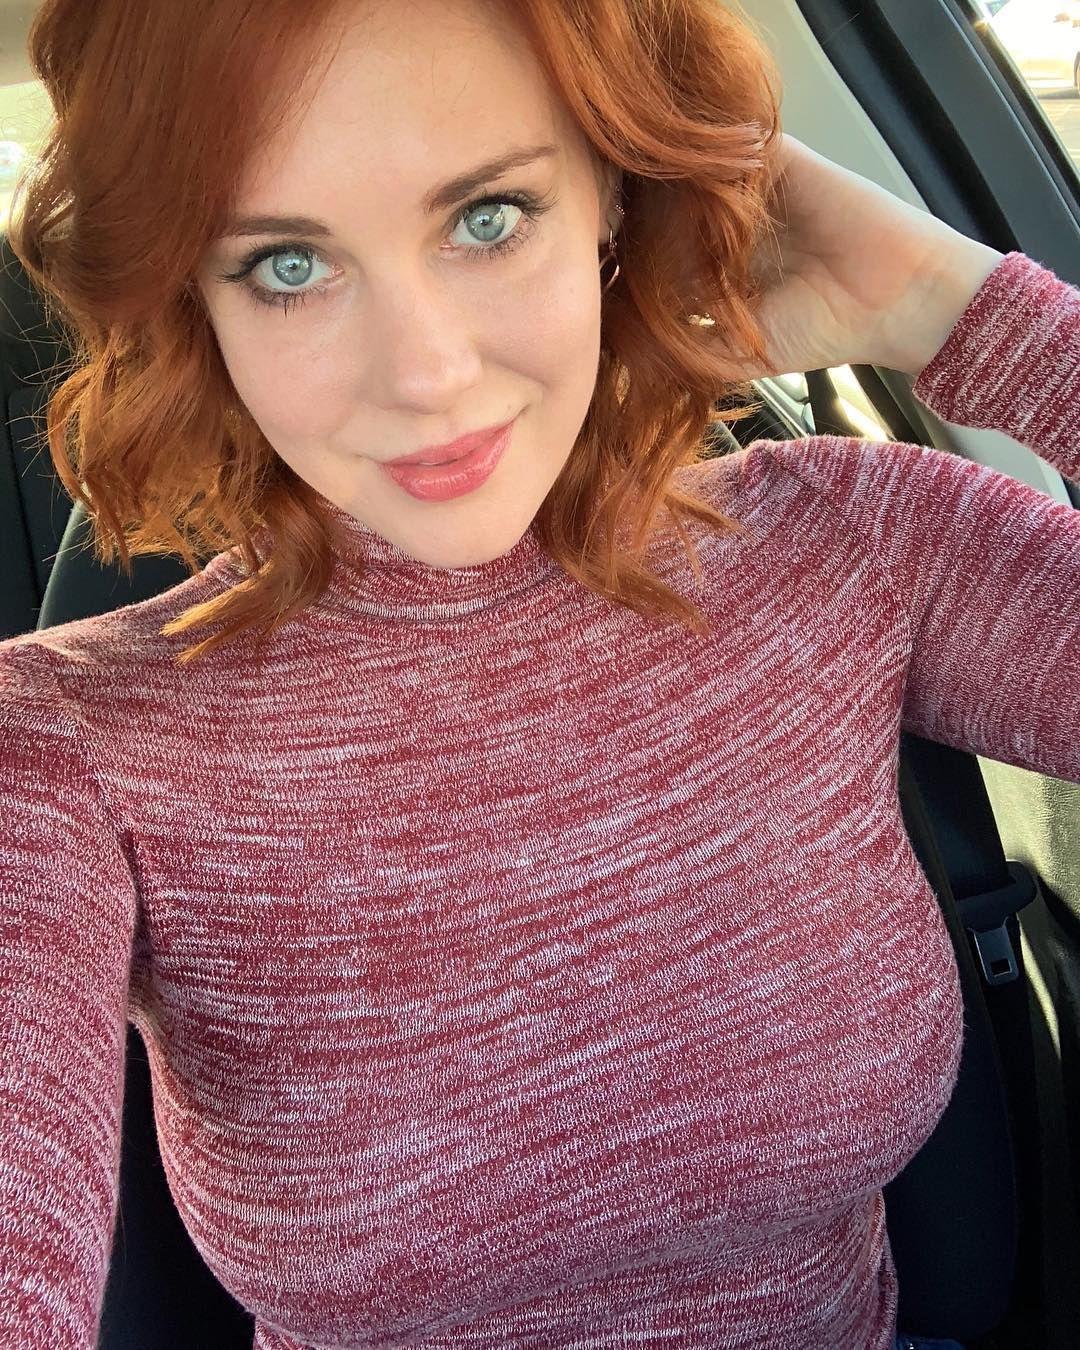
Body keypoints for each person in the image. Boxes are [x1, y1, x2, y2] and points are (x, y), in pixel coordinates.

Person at [0, 0, 1077, 1346]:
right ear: (192, 300)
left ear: (613, 195)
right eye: (286, 263)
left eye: (489, 216)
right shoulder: (65, 747)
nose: (428, 373)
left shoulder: (856, 545)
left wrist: (953, 309)